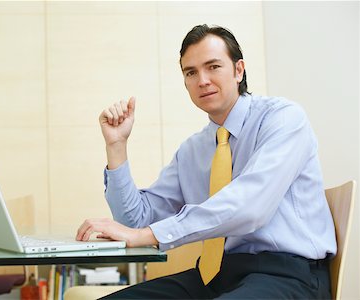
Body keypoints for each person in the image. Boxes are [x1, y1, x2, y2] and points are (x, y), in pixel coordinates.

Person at [76, 24, 336, 299]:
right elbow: (136, 221)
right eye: (191, 72)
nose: (202, 80)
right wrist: (116, 147)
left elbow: (249, 208)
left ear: (238, 70)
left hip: (286, 275)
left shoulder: (283, 119)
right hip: (215, 275)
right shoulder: (193, 150)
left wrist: (149, 235)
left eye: (213, 67)